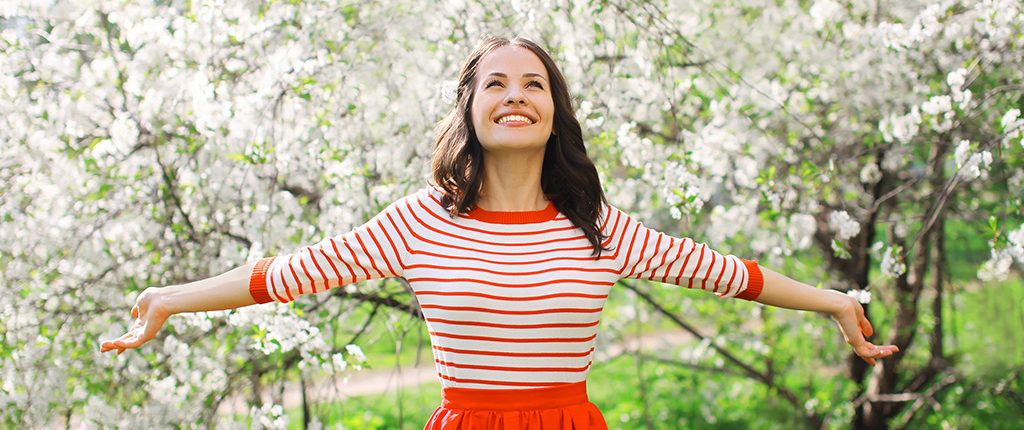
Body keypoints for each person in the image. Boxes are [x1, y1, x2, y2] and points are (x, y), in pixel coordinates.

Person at [100, 35, 899, 429]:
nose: (516, 95)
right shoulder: (420, 223)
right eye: (497, 84)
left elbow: (731, 274)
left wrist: (834, 301)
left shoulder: (597, 229)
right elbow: (286, 273)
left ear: (555, 112)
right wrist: (168, 299)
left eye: (535, 84)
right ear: (470, 110)